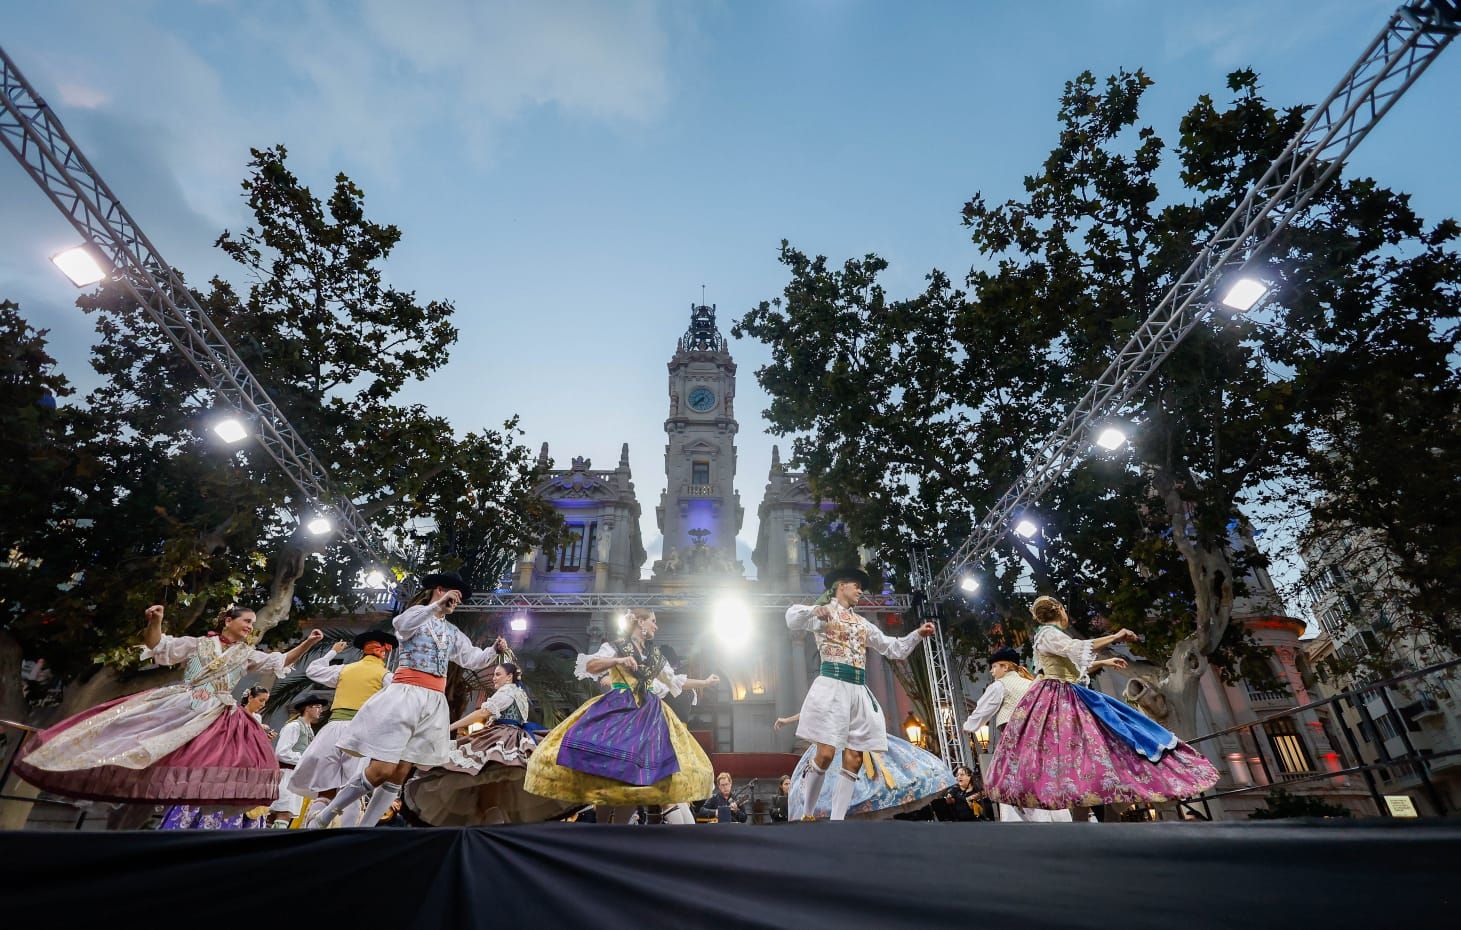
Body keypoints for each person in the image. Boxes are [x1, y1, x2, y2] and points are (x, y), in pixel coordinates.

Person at [15, 604, 320, 810]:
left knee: (217, 757)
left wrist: (308, 643)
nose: (250, 627)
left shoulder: (247, 653)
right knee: (142, 739)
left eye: (253, 623)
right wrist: (155, 621)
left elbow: (279, 661)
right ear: (228, 621)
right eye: (246, 621)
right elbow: (156, 645)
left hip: (219, 711)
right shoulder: (196, 643)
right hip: (185, 701)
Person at [307, 571, 507, 829]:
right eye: (452, 596)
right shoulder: (416, 616)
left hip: (433, 701)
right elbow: (401, 625)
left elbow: (471, 659)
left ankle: (365, 829)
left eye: (456, 600)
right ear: (439, 590)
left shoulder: (451, 631)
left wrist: (493, 651)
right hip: (406, 695)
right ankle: (324, 816)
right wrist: (436, 605)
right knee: (382, 768)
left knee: (400, 772)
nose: (454, 603)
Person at [985, 595, 1220, 811]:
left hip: (1065, 691)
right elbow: (1074, 649)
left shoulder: (1049, 635)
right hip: (1060, 696)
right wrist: (1116, 636)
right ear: (1060, 611)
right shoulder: (1048, 633)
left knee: (1091, 744)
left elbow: (1072, 667)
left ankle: (1102, 803)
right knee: (1080, 745)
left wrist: (1104, 663)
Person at [525, 608, 720, 824]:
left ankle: (619, 830)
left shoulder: (654, 656)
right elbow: (590, 666)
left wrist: (704, 683)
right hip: (618, 710)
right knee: (609, 773)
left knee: (633, 778)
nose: (657, 626)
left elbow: (675, 681)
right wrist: (617, 660)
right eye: (653, 621)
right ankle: (602, 830)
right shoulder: (616, 646)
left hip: (648, 716)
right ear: (640, 622)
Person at [785, 568, 949, 821]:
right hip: (831, 686)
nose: (861, 591)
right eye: (856, 586)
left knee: (854, 759)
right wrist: (813, 610)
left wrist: (917, 634)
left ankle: (837, 821)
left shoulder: (862, 624)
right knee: (826, 753)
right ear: (841, 586)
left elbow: (892, 647)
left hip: (858, 691)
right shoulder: (823, 614)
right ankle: (807, 813)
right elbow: (792, 617)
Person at [404, 661, 568, 825]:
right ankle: (493, 822)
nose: (494, 678)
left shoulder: (506, 691)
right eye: (493, 674)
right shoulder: (520, 693)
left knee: (486, 777)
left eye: (498, 674)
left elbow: (483, 712)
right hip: (514, 736)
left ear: (509, 677)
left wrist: (450, 726)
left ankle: (491, 823)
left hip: (502, 736)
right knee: (495, 786)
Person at [290, 630, 397, 827]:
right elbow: (397, 703)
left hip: (333, 730)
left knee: (326, 790)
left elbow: (313, 670)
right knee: (353, 791)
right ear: (384, 652)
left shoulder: (345, 670)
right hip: (360, 733)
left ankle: (309, 833)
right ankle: (345, 838)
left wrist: (332, 652)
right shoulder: (386, 676)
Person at [963, 646, 1073, 823]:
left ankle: (1026, 826)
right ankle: (1061, 822)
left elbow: (982, 711)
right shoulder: (1032, 684)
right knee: (1046, 781)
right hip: (1041, 741)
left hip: (1016, 741)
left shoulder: (1000, 685)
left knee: (1011, 780)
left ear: (1005, 667)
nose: (992, 671)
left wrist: (968, 726)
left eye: (994, 667)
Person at [268, 693, 328, 826]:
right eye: (318, 707)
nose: (321, 710)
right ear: (308, 708)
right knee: (283, 812)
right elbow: (281, 752)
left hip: (296, 776)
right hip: (287, 776)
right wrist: (305, 760)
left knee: (284, 813)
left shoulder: (309, 730)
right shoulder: (294, 726)